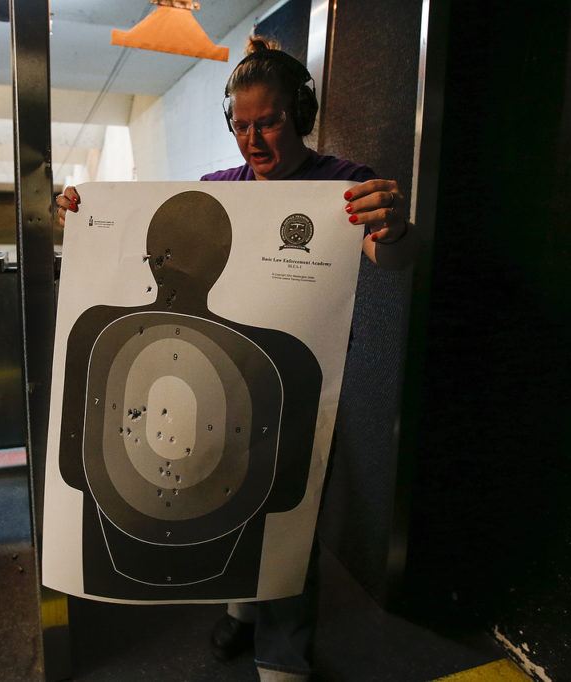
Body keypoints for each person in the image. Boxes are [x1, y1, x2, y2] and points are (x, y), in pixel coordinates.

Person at [56, 36, 416, 682]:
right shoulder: (219, 188)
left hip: (308, 392)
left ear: (299, 117)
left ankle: (282, 653)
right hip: (216, 374)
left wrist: (393, 230)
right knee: (220, 501)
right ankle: (242, 614)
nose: (254, 140)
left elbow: (387, 257)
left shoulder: (344, 185)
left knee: (288, 525)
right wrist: (85, 218)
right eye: (242, 125)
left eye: (269, 121)